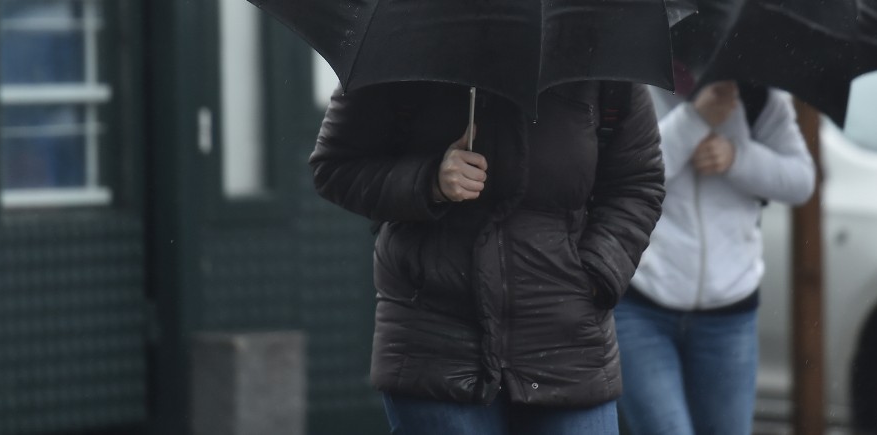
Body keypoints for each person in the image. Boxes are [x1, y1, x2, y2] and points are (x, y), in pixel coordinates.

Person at [309, 80, 665, 435]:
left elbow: (637, 183)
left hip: (568, 339)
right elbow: (336, 167)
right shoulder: (403, 48)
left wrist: (595, 274)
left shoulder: (602, 59)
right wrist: (430, 181)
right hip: (434, 341)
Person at [615, 77, 817, 435]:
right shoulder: (637, 85)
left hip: (729, 314)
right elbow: (621, 174)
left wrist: (737, 156)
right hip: (642, 305)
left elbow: (801, 180)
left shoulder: (757, 94)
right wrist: (694, 120)